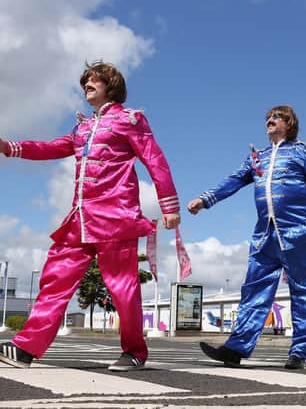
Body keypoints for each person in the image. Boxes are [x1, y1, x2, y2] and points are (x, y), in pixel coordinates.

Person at [0, 61, 180, 371]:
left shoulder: (129, 119)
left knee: (122, 287)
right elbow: (52, 147)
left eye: (94, 80)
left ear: (110, 86)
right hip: (80, 219)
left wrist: (169, 205)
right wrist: (9, 147)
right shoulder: (82, 127)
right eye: (86, 81)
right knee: (55, 280)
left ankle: (135, 350)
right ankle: (25, 347)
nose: (87, 85)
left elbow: (155, 159)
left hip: (116, 216)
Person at [188, 105, 306, 369]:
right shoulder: (257, 158)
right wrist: (205, 199)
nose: (270, 120)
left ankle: (300, 352)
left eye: (277, 117)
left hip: (298, 235)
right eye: (268, 118)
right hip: (265, 237)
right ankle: (235, 349)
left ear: (290, 124)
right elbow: (234, 180)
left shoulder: (302, 152)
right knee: (253, 291)